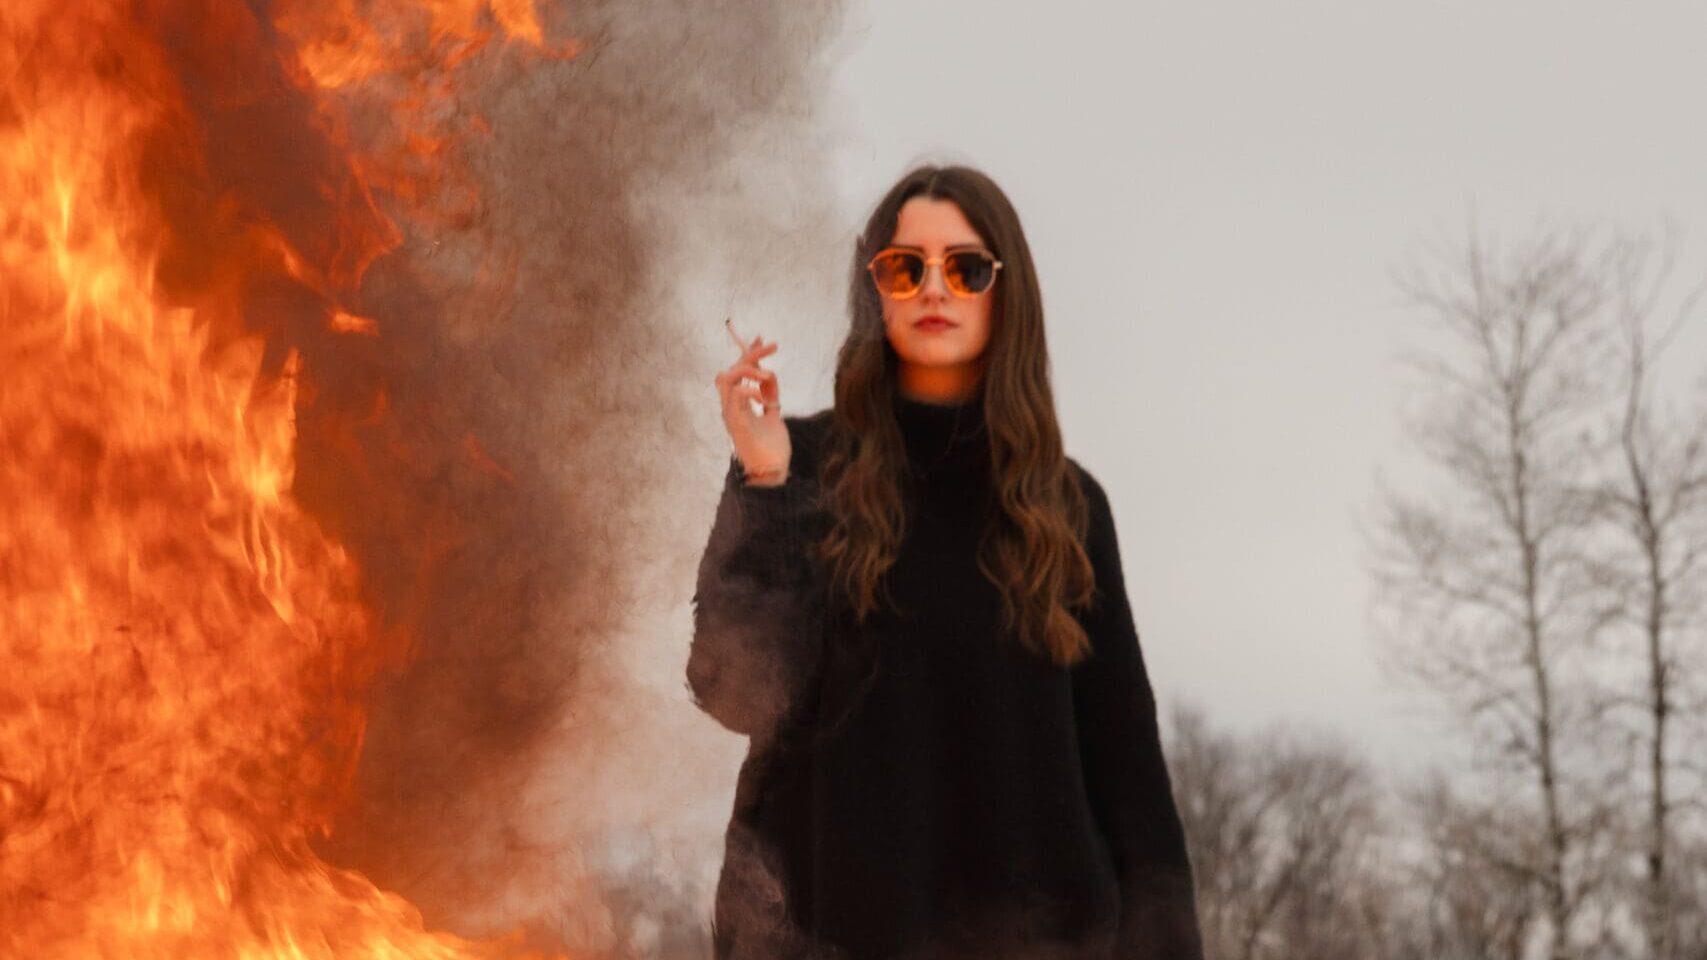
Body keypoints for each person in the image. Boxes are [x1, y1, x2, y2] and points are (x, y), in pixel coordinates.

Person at [689, 164, 1204, 960]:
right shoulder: (799, 465)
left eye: (965, 268)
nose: (934, 288)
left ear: (1006, 292)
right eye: (905, 266)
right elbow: (730, 690)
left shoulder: (1067, 508)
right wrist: (764, 481)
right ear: (876, 290)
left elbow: (1130, 783)